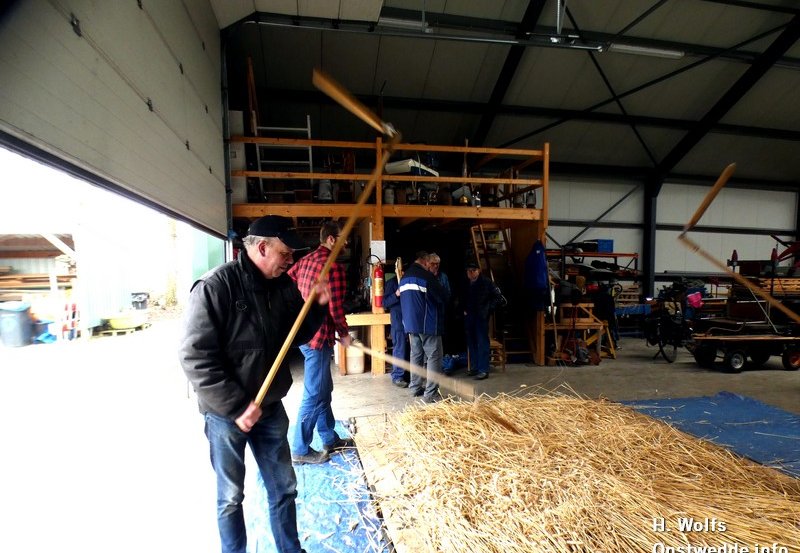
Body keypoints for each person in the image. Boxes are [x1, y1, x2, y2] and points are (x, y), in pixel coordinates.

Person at [179, 215, 329, 553]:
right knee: (230, 497)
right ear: (262, 247)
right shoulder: (216, 287)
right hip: (224, 415)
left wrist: (316, 308)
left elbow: (296, 334)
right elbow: (194, 356)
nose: (290, 261)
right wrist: (236, 406)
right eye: (286, 253)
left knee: (284, 487)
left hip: (270, 408)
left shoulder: (283, 285)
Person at [288, 220, 354, 465]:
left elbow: (287, 283)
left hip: (304, 336)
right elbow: (335, 307)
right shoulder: (333, 267)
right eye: (343, 238)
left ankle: (328, 437)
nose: (346, 243)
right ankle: (300, 448)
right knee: (314, 393)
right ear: (331, 239)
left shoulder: (304, 260)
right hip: (318, 338)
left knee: (324, 389)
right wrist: (344, 333)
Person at [399, 250, 450, 402]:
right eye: (430, 263)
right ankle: (431, 394)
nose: (431, 266)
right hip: (427, 324)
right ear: (424, 261)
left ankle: (415, 387)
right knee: (434, 356)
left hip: (410, 324)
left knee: (416, 355)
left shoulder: (404, 278)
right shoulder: (426, 277)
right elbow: (442, 296)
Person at [462, 261, 506, 380]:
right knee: (472, 343)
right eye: (469, 271)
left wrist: (488, 309)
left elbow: (498, 298)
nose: (471, 273)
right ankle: (475, 367)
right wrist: (463, 309)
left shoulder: (486, 282)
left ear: (478, 271)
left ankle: (483, 370)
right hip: (469, 316)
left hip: (481, 317)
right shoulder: (465, 283)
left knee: (482, 343)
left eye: (473, 271)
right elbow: (461, 298)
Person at [383, 265, 408, 387]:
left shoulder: (408, 282)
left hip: (410, 320)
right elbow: (385, 303)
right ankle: (397, 376)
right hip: (398, 321)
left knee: (411, 349)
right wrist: (396, 294)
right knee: (399, 347)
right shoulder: (391, 283)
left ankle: (408, 375)